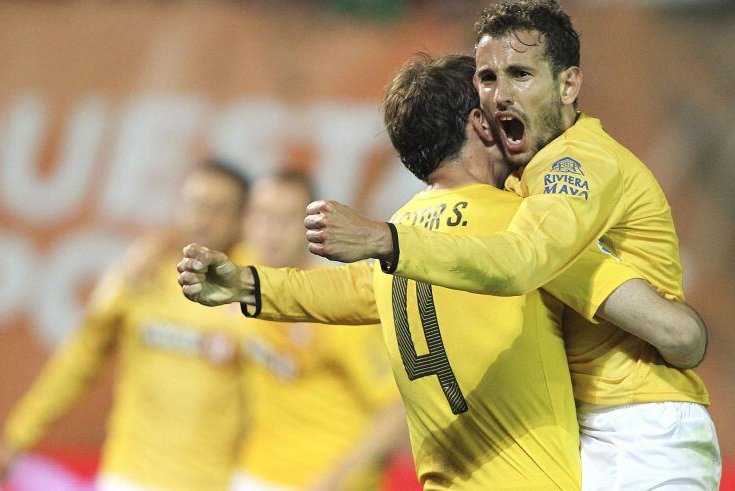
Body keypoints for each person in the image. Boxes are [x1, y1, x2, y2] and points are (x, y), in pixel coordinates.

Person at [178, 55, 708, 489]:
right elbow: (674, 332)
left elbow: (341, 291)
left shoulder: (400, 240)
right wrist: (685, 338)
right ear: (479, 125)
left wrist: (247, 283)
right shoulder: (522, 229)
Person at [293, 2, 722, 488]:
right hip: (592, 429)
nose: (500, 94)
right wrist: (253, 287)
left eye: (520, 74)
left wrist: (385, 239)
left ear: (568, 84)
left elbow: (523, 262)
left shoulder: (574, 164)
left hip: (642, 427)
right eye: (488, 77)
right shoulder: (520, 186)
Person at [0, 159, 250, 491]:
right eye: (195, 205)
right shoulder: (140, 273)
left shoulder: (254, 291)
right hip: (128, 475)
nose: (202, 218)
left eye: (218, 209)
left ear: (241, 219)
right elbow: (80, 359)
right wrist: (20, 433)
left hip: (213, 482)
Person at [230, 171, 408, 491]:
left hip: (320, 481)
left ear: (311, 229)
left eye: (286, 220)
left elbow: (396, 410)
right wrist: (155, 245)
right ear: (245, 219)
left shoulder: (336, 304)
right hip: (254, 473)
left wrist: (334, 480)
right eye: (263, 215)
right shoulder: (244, 271)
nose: (271, 231)